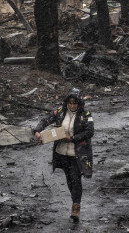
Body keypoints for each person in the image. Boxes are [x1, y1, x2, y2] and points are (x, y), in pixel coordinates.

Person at [34, 90, 94, 223]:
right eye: (70, 103)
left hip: (77, 153)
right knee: (69, 178)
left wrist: (72, 138)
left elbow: (89, 131)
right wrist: (37, 131)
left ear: (79, 103)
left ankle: (76, 207)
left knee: (76, 177)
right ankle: (75, 202)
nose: (72, 106)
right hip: (61, 152)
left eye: (75, 103)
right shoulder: (60, 112)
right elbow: (46, 120)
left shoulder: (86, 114)